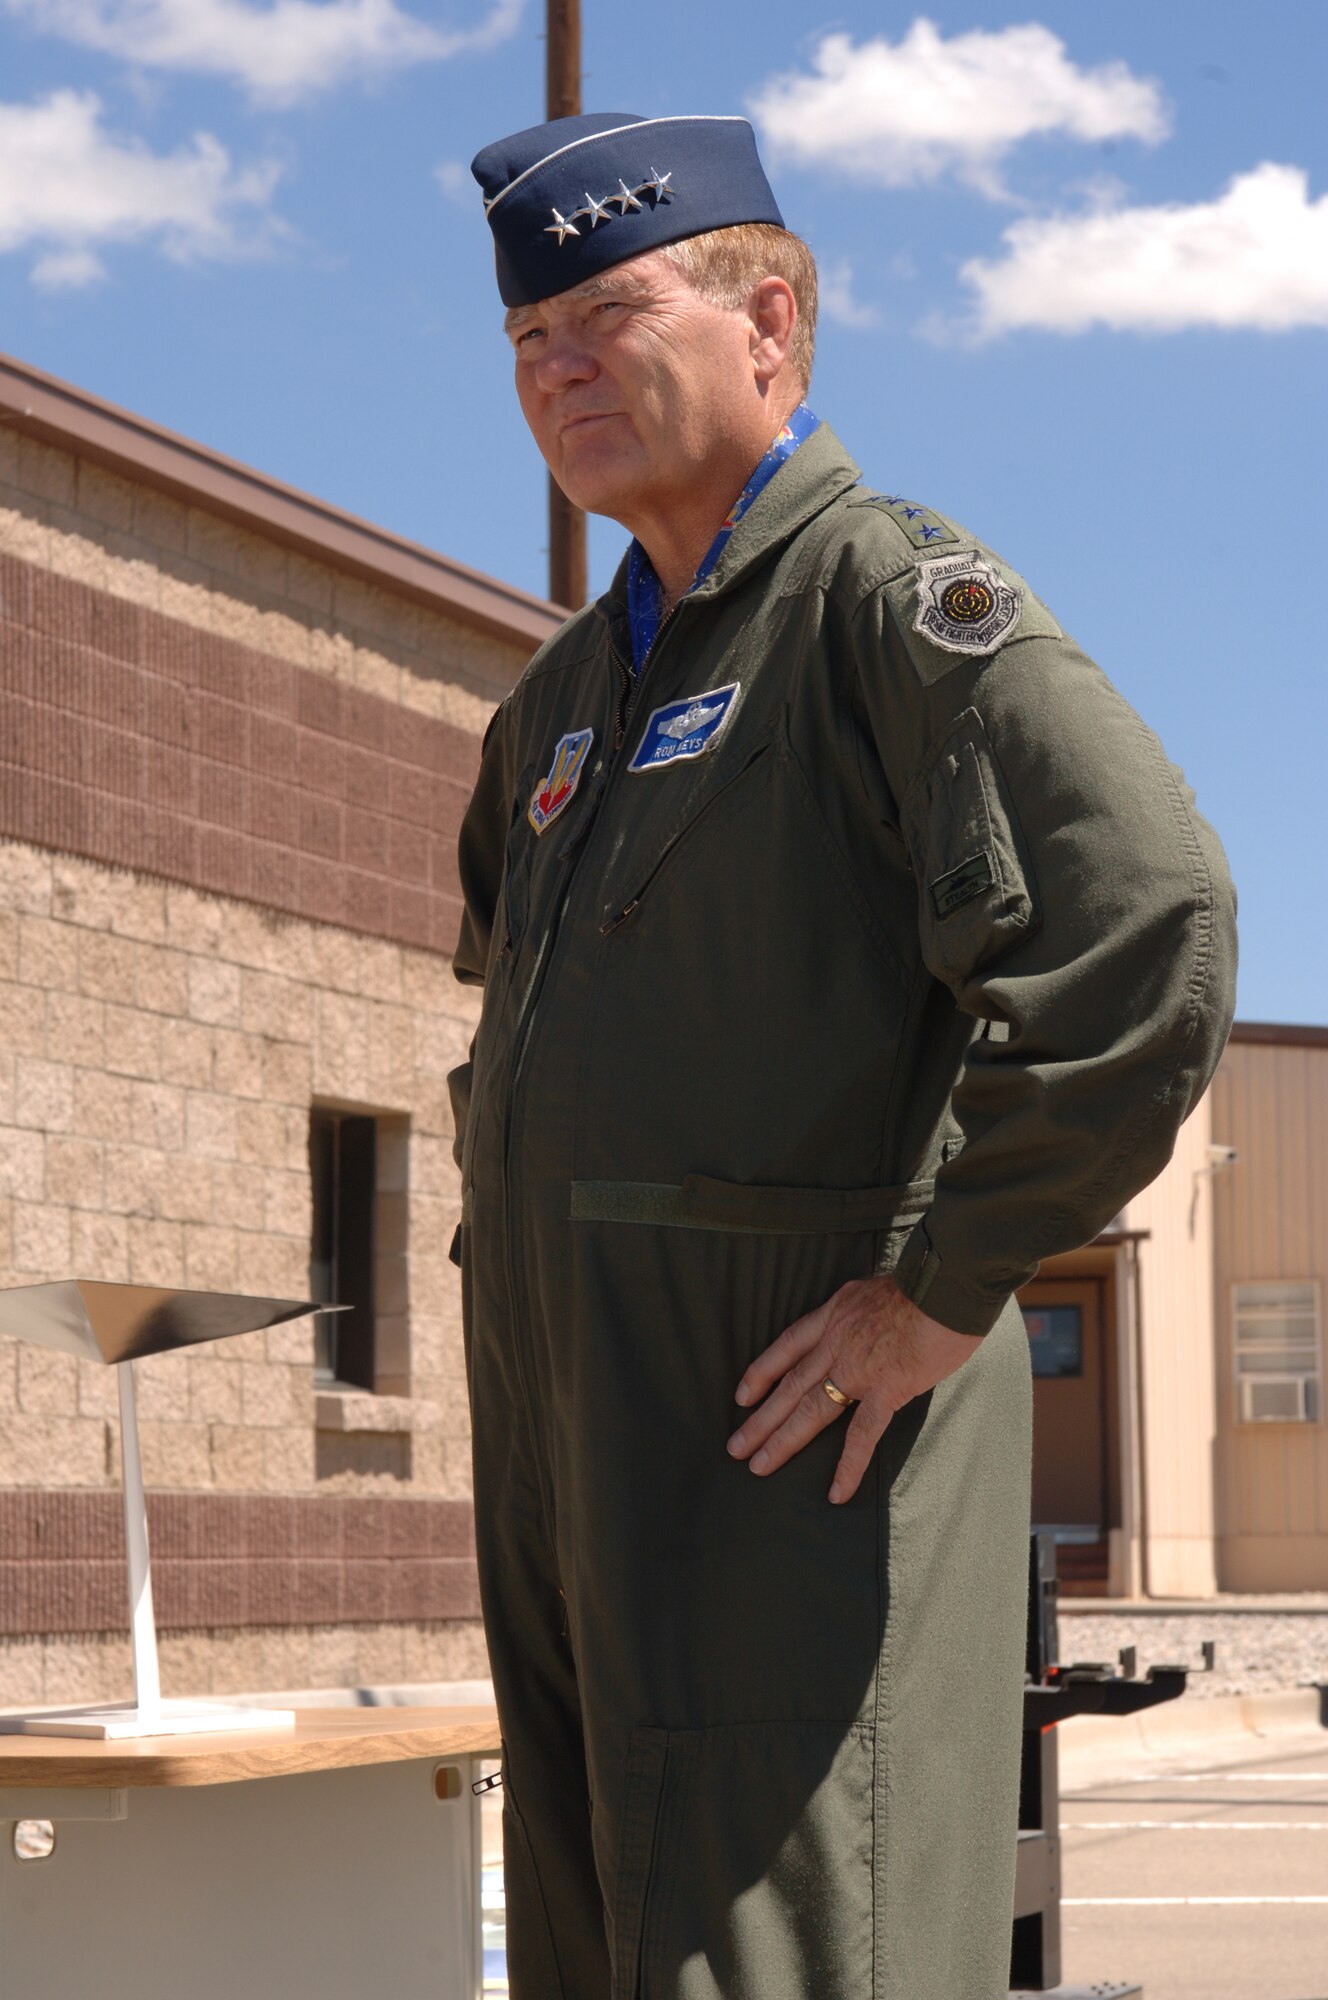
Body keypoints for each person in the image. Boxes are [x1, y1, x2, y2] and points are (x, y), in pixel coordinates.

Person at [449, 111, 1237, 2000]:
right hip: (576, 1470)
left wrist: (941, 1288)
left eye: (609, 315)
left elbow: (1147, 923)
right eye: (527, 343)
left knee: (800, 1958)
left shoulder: (881, 604)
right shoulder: (559, 705)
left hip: (786, 1487)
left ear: (771, 328)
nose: (561, 371)